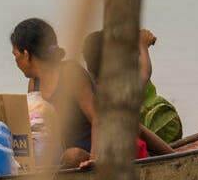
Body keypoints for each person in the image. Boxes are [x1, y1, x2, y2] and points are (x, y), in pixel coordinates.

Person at [10, 18, 172, 169]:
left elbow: (97, 119)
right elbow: (36, 128)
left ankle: (173, 157)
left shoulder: (70, 73)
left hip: (98, 152)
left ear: (26, 54)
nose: (15, 61)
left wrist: (95, 158)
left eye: (15, 54)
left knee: (73, 155)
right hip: (64, 157)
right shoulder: (33, 84)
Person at [83, 28, 183, 143]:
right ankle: (170, 153)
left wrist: (141, 47)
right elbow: (145, 72)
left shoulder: (96, 84)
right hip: (136, 140)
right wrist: (143, 46)